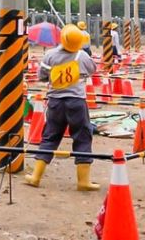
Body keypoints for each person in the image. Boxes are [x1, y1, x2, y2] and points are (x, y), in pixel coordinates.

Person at [24, 24, 100, 191]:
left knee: (50, 137)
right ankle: (83, 181)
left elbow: (42, 76)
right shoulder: (82, 55)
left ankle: (35, 177)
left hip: (55, 102)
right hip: (77, 102)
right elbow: (93, 70)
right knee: (82, 137)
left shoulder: (50, 55)